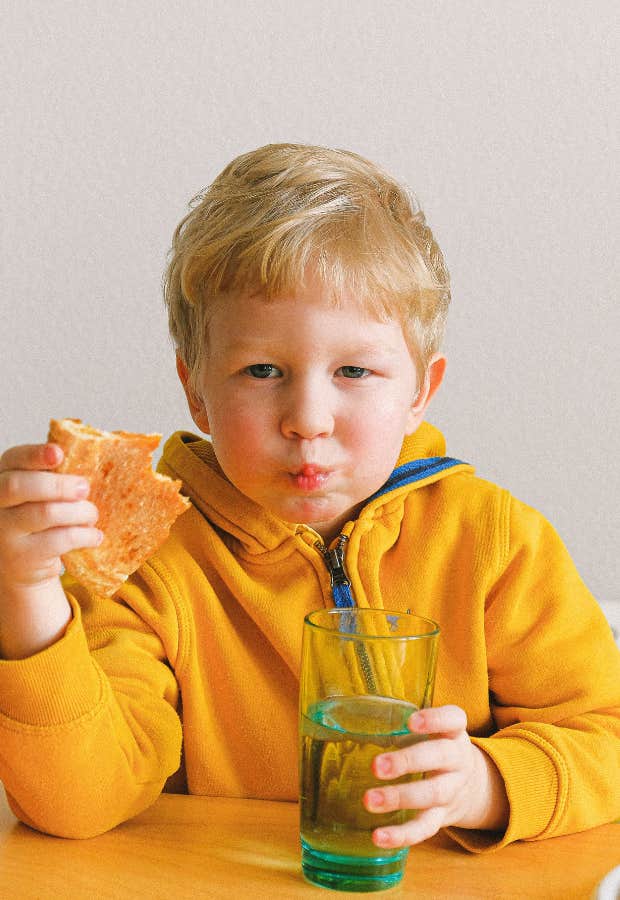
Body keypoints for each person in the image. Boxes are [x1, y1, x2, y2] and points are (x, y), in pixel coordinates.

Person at [0, 143, 618, 852]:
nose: (309, 418)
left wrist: (485, 783)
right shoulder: (148, 565)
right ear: (197, 391)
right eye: (262, 370)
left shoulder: (494, 543)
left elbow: (605, 736)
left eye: (354, 369)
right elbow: (79, 802)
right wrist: (26, 594)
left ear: (420, 392)